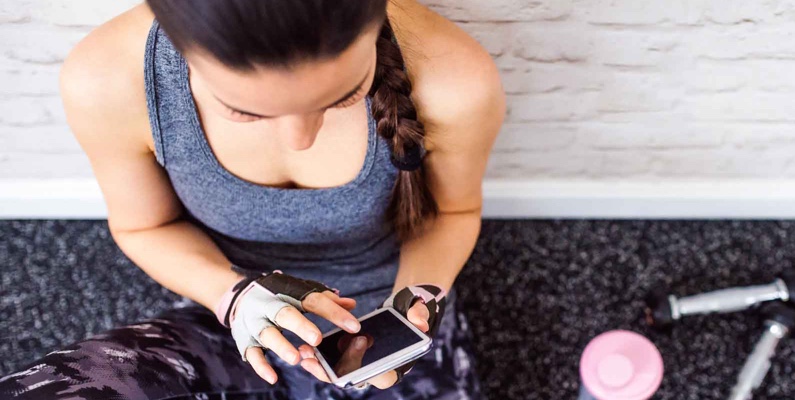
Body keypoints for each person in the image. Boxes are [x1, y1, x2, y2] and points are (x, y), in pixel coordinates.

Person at [0, 0, 504, 398]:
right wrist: (233, 296)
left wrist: (419, 294)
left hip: (382, 316)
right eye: (244, 110)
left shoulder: (454, 76)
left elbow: (454, 211)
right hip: (223, 311)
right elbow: (143, 226)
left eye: (343, 95)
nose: (299, 140)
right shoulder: (107, 78)